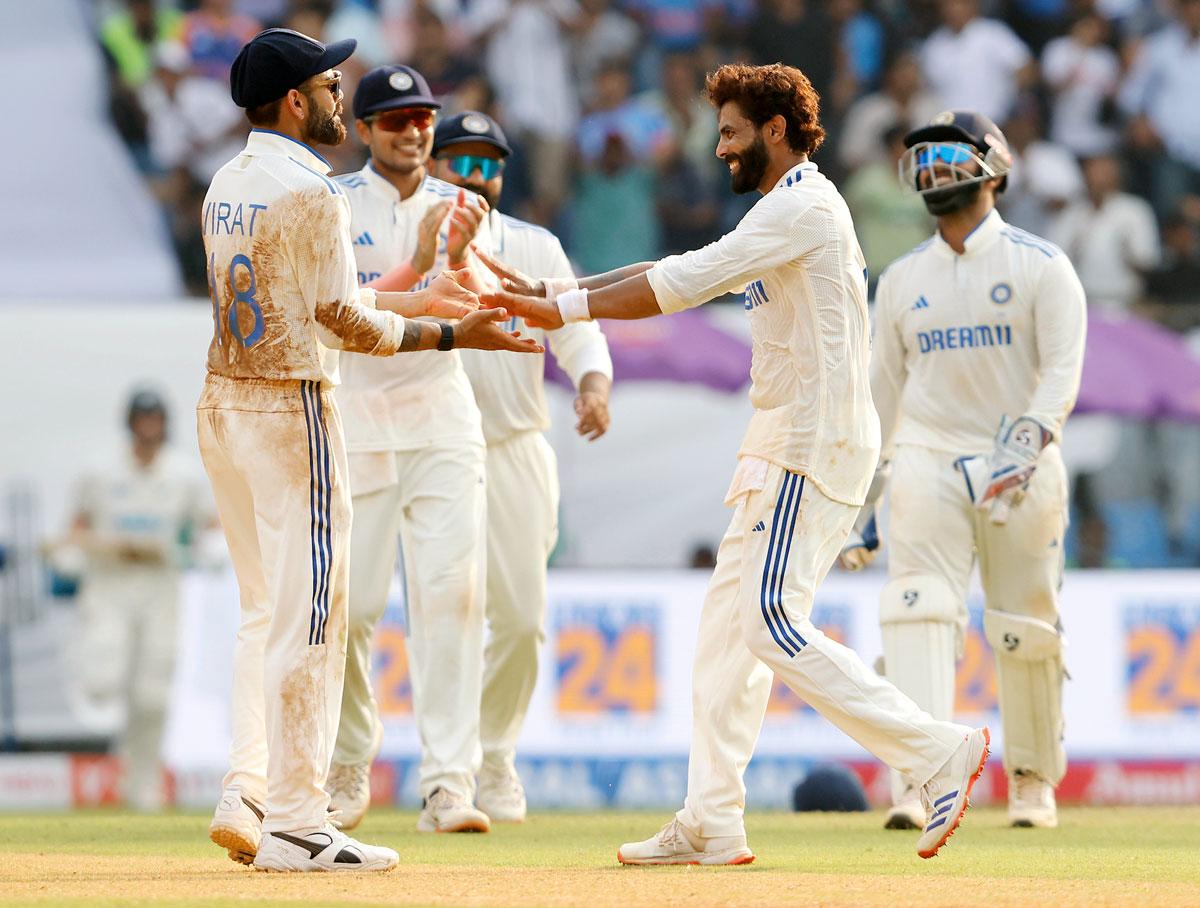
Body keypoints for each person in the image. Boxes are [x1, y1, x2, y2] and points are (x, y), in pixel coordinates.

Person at [482, 63, 990, 863]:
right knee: (725, 641)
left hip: (810, 443)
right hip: (780, 444)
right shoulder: (778, 211)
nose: (718, 148)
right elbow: (683, 265)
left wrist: (565, 305)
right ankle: (711, 820)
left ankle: (934, 753)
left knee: (768, 622)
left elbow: (684, 280)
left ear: (776, 130)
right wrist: (557, 293)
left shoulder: (805, 206)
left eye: (730, 132)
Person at [200, 29, 539, 874]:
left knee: (261, 616)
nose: (338, 95)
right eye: (328, 83)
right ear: (293, 101)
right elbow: (343, 321)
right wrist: (452, 329)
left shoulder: (227, 181)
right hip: (294, 409)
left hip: (224, 402)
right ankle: (299, 820)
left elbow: (317, 296)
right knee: (313, 620)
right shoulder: (315, 192)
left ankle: (247, 788)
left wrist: (422, 290)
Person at [839, 110, 1086, 831]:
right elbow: (883, 395)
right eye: (922, 157)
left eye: (949, 154)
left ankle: (1034, 782)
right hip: (928, 456)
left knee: (1024, 628)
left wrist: (1029, 444)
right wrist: (863, 495)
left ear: (995, 168)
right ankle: (922, 785)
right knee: (915, 608)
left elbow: (1062, 374)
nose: (935, 170)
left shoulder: (1042, 265)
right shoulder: (905, 278)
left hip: (1021, 458)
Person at [326, 66, 497, 836]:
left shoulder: (464, 205)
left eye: (423, 117)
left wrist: (453, 256)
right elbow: (342, 315)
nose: (414, 130)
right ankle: (349, 764)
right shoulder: (331, 206)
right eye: (394, 119)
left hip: (440, 420)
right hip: (359, 421)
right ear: (363, 130)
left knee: (451, 601)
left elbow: (471, 308)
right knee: (351, 610)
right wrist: (421, 258)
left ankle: (448, 786)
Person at [431, 111, 615, 822]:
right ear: (435, 164)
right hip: (435, 449)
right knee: (449, 611)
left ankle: (495, 756)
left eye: (489, 163)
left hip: (515, 446)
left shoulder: (535, 246)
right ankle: (444, 775)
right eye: (461, 161)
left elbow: (577, 328)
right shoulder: (414, 245)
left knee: (520, 618)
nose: (476, 176)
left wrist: (594, 385)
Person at [56, 390, 211, 812]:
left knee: (152, 696)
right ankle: (103, 708)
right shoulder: (100, 471)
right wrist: (73, 554)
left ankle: (142, 789)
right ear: (129, 423)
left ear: (164, 424)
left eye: (154, 420)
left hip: (161, 587)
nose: (148, 429)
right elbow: (75, 527)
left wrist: (200, 555)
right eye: (141, 421)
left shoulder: (183, 475)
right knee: (104, 680)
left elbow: (207, 529)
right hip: (109, 584)